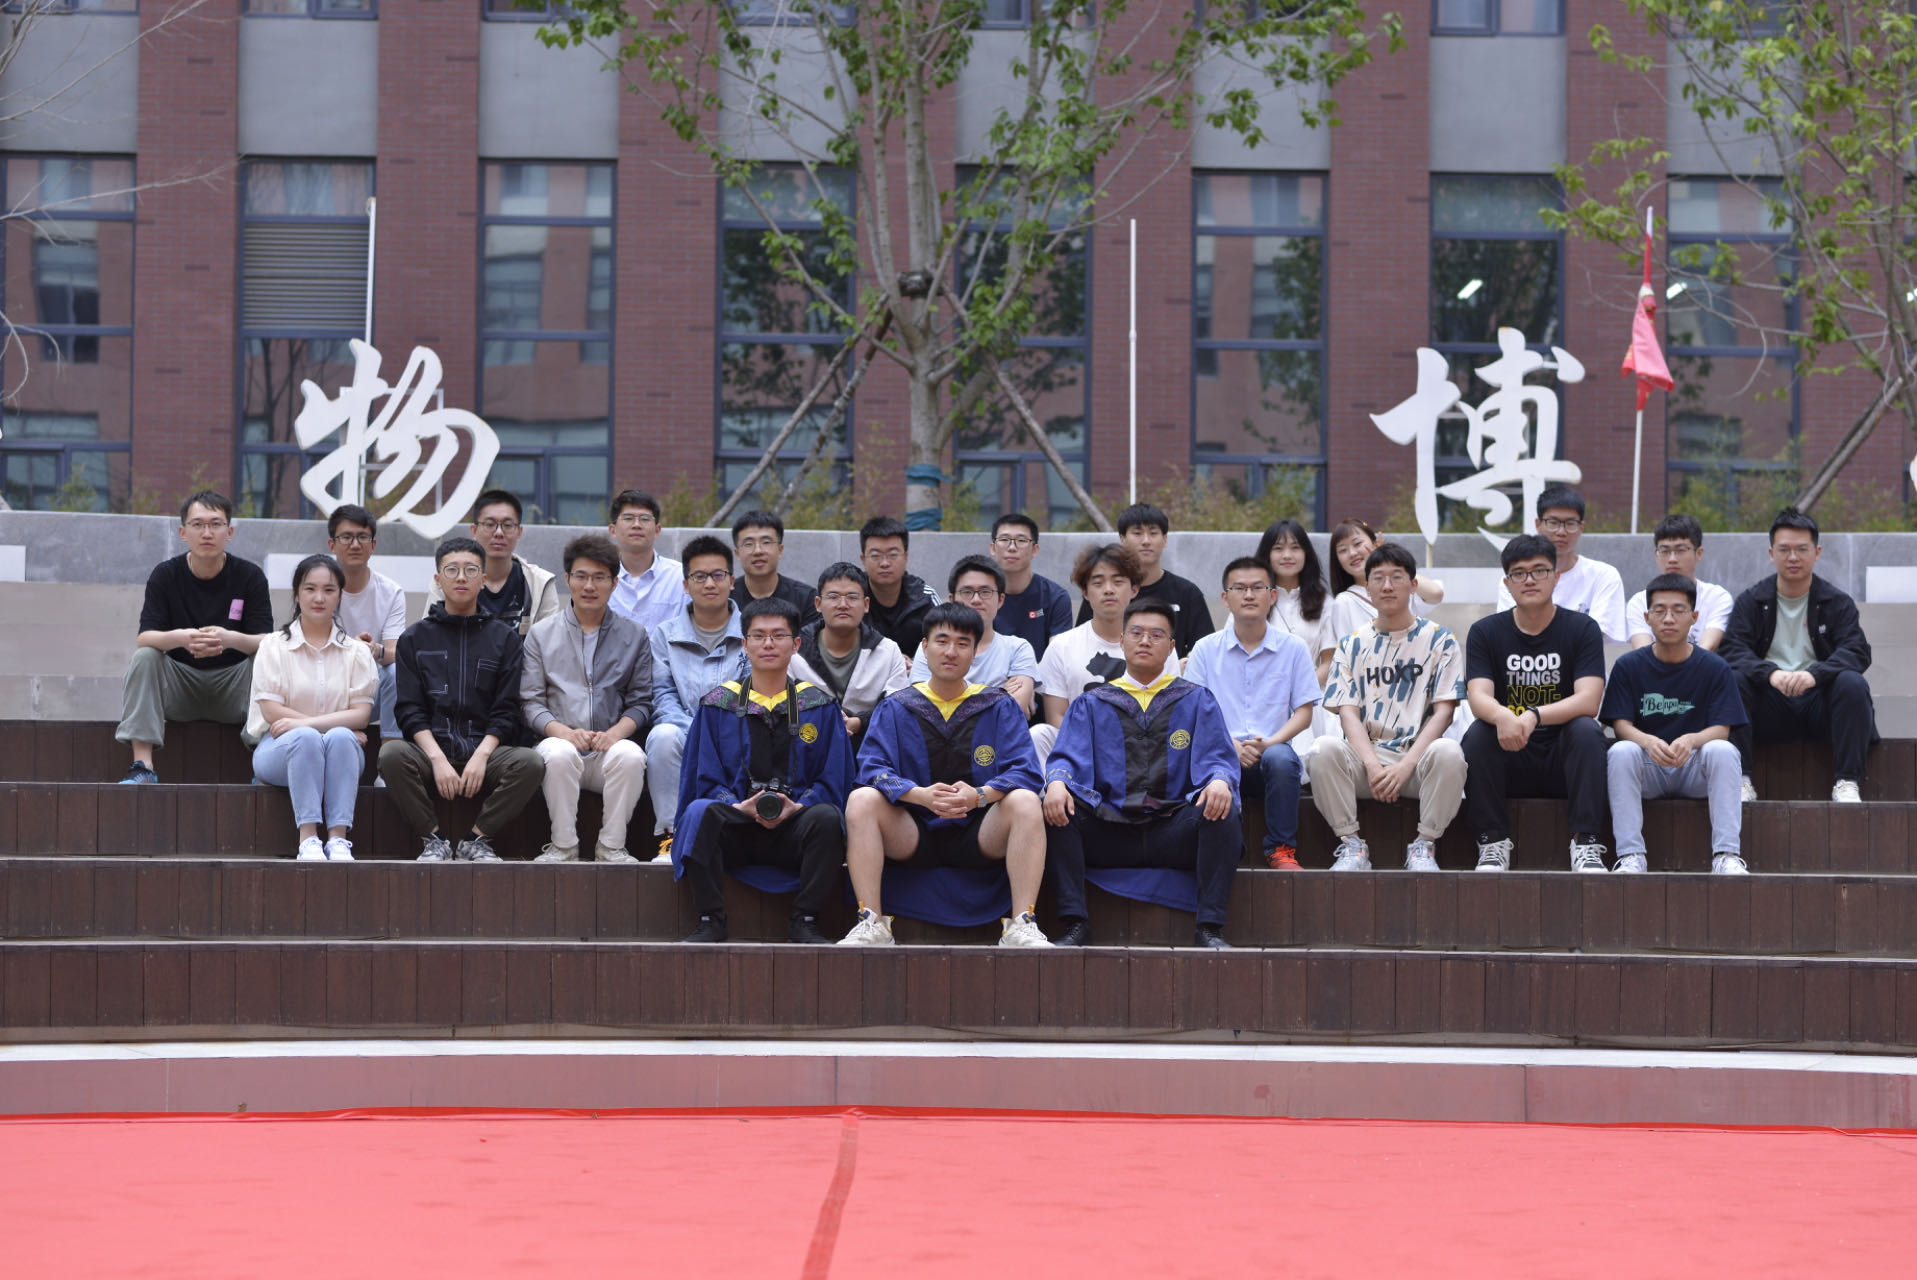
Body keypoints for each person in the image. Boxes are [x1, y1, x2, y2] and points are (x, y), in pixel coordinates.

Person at [838, 603, 1051, 948]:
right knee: (861, 799)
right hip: (913, 830)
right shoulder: (897, 706)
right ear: (924, 647)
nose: (951, 651)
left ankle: (1022, 924)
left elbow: (1026, 771)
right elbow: (872, 769)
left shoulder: (998, 705)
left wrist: (980, 795)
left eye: (963, 643)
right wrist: (919, 795)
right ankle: (871, 922)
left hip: (981, 831)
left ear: (975, 651)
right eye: (942, 641)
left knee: (1026, 801)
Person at [1043, 599, 1242, 948]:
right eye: (1136, 633)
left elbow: (1218, 757)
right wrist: (1057, 781)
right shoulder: (1093, 702)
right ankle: (1075, 924)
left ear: (1172, 646)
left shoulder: (1196, 700)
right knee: (1057, 809)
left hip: (1174, 831)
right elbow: (1067, 757)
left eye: (1156, 634)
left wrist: (1219, 780)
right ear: (1122, 641)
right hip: (1109, 830)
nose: (1145, 641)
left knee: (1221, 811)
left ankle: (1210, 928)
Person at [675, 598, 853, 945]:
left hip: (796, 830)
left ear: (796, 644)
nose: (768, 644)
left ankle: (805, 920)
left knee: (828, 818)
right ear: (744, 644)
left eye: (778, 635)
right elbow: (704, 778)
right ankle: (711, 919)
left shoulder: (819, 706)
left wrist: (799, 806)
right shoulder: (718, 705)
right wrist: (737, 806)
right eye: (758, 636)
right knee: (699, 812)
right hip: (736, 827)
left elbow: (833, 779)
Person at [379, 537, 545, 862]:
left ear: (483, 580)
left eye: (470, 570)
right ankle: (434, 839)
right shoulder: (414, 638)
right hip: (430, 751)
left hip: (487, 752)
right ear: (438, 580)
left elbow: (507, 710)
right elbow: (409, 710)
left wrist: (482, 755)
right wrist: (437, 759)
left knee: (530, 763)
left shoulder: (505, 639)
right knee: (391, 755)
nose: (461, 578)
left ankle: (477, 839)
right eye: (451, 570)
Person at [1308, 543, 1468, 873]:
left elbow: (1444, 712)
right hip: (1365, 765)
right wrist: (1372, 765)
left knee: (1450, 753)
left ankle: (1424, 845)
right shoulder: (1352, 643)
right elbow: (1348, 712)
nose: (1387, 586)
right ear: (1367, 587)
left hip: (1418, 763)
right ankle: (1351, 845)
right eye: (1378, 578)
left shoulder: (1441, 640)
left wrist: (1406, 765)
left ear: (1413, 585)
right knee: (1322, 749)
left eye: (1397, 577)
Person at [1462, 534, 1610, 872]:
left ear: (1556, 577)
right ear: (1507, 583)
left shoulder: (1582, 628)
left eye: (1539, 570)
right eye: (1519, 573)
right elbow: (1478, 695)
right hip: (1509, 753)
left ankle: (1586, 843)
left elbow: (1589, 699)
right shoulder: (1485, 632)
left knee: (1587, 731)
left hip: (1563, 758)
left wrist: (1533, 715)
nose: (1529, 579)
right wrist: (1503, 716)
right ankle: (1491, 842)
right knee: (1478, 735)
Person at [1718, 506, 1875, 804]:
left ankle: (1847, 781)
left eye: (1802, 549)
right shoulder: (1751, 601)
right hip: (1769, 703)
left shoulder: (1837, 602)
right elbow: (1731, 650)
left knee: (1852, 684)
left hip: (1819, 703)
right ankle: (1740, 780)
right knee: (1733, 680)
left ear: (1817, 552)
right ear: (1771, 553)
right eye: (1784, 549)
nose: (1793, 557)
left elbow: (1856, 650)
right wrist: (1770, 674)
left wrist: (1814, 675)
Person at [117, 489, 274, 784]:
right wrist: (181, 638)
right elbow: (145, 637)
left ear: (229, 532)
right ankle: (142, 765)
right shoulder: (165, 575)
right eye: (198, 524)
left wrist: (230, 639)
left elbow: (268, 640)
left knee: (266, 658)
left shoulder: (249, 576)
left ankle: (265, 765)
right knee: (145, 657)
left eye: (215, 524)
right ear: (183, 532)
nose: (207, 533)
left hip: (233, 687)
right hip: (180, 687)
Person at [521, 534, 654, 865]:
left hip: (608, 749)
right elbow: (531, 702)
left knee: (632, 756)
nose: (589, 586)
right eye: (581, 576)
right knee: (559, 753)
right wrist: (565, 733)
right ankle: (563, 845)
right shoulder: (542, 634)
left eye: (599, 577)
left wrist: (614, 735)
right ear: (567, 579)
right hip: (560, 747)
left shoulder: (634, 635)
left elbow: (642, 702)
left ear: (614, 583)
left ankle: (612, 846)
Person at [1603, 575, 1750, 874]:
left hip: (1694, 768)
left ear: (1694, 617)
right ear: (1647, 617)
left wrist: (1692, 740)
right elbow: (1620, 725)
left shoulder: (1715, 667)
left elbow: (1722, 729)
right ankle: (1630, 855)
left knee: (1723, 750)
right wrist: (1647, 742)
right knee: (1621, 751)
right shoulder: (1628, 666)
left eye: (1678, 610)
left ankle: (1726, 855)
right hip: (1648, 768)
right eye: (1659, 610)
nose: (1668, 618)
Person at [1183, 557, 1319, 870]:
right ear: (1224, 597)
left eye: (1257, 588)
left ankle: (1281, 850)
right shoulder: (1205, 649)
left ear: (1272, 596)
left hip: (1270, 757)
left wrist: (1269, 743)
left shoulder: (1294, 647)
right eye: (1239, 588)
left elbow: (1304, 712)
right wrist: (1231, 744)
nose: (1248, 595)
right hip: (1220, 756)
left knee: (1282, 759)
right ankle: (1217, 852)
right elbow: (1193, 711)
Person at [247, 554, 378, 861]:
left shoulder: (357, 652)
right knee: (310, 737)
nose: (319, 598)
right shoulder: (273, 646)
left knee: (340, 738)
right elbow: (271, 711)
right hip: (278, 748)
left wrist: (311, 725)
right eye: (310, 589)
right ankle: (308, 840)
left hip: (340, 751)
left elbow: (361, 715)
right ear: (297, 593)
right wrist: (320, 727)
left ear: (340, 595)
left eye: (329, 590)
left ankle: (338, 840)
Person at [645, 535, 748, 861]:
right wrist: (697, 731)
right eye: (700, 576)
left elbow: (753, 690)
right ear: (685, 585)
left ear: (732, 581)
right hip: (682, 729)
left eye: (718, 575)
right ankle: (670, 835)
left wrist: (717, 731)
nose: (710, 584)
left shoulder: (752, 631)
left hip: (738, 730)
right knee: (662, 737)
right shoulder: (665, 635)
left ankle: (734, 837)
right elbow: (662, 693)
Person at [1032, 543, 1138, 761]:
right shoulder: (1062, 646)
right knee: (1040, 734)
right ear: (1085, 592)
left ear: (1134, 590)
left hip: (1137, 750)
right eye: (1098, 583)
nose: (1108, 590)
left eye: (1118, 582)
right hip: (1078, 750)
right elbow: (1056, 716)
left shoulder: (1154, 644)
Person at [789, 562, 912, 745]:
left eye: (852, 597)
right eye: (833, 597)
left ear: (866, 604)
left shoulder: (888, 651)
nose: (843, 605)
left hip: (869, 750)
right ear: (818, 604)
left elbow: (898, 710)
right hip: (807, 748)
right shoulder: (793, 650)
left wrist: (860, 722)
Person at [1073, 503, 1215, 657]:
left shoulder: (1187, 593)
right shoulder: (1105, 593)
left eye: (1153, 533)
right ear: (1122, 539)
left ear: (1165, 539)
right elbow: (1082, 643)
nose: (1146, 541)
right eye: (1137, 533)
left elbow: (1206, 650)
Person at [1494, 484, 1627, 643]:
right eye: (1553, 523)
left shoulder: (1604, 576)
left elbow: (1596, 634)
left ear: (1581, 527)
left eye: (1570, 523)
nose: (1561, 532)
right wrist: (1575, 625)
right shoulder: (1517, 578)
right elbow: (1512, 633)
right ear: (1538, 524)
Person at [908, 556, 1039, 716]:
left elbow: (1013, 710)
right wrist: (999, 695)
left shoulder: (1017, 649)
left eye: (985, 592)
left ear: (1000, 600)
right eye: (967, 592)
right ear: (952, 599)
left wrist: (950, 701)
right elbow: (925, 710)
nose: (976, 600)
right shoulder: (933, 646)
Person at [426, 489, 562, 635]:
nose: (498, 533)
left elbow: (549, 641)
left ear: (519, 532)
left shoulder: (541, 583)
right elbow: (429, 636)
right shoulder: (448, 579)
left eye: (507, 525)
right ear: (474, 530)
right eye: (489, 524)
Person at [327, 504, 409, 740]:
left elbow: (396, 651)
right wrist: (352, 649)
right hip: (323, 690)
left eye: (362, 537)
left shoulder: (391, 592)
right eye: (346, 537)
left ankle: (390, 752)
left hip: (368, 691)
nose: (355, 544)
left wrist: (375, 650)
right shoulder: (317, 587)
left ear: (373, 545)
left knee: (397, 670)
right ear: (332, 544)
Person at [1321, 517, 1444, 667]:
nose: (1352, 553)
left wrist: (1391, 560)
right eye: (1342, 550)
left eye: (1357, 544)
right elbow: (1350, 656)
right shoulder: (1344, 602)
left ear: (1374, 543)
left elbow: (1435, 593)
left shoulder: (1400, 588)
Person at [1625, 514, 1732, 652]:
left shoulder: (1717, 598)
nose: (1672, 559)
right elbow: (1643, 652)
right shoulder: (1639, 603)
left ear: (1699, 553)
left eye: (1680, 550)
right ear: (1656, 554)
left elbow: (1708, 648)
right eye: (1665, 551)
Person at [1255, 518, 1332, 684]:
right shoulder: (1251, 598)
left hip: (1310, 694)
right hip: (1259, 693)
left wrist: (1300, 691)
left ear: (1306, 554)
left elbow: (1329, 662)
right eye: (1278, 548)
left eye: (1295, 548)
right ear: (1267, 554)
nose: (1287, 555)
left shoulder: (1325, 602)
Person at [988, 513, 1073, 660]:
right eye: (1004, 540)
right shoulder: (979, 596)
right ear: (993, 548)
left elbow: (1058, 658)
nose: (1012, 547)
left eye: (1021, 540)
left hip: (1040, 673)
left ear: (1035, 550)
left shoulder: (1055, 597)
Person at [608, 488, 689, 631]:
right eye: (628, 518)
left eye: (645, 519)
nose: (636, 525)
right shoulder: (601, 578)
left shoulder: (680, 576)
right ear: (613, 530)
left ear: (657, 530)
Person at [860, 515, 941, 658]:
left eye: (893, 555)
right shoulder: (852, 598)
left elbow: (944, 645)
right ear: (863, 559)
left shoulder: (925, 598)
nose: (884, 563)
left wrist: (915, 665)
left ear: (906, 557)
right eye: (876, 556)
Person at [729, 509, 818, 630]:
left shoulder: (806, 598)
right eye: (749, 544)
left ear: (780, 550)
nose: (758, 551)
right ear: (737, 553)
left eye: (766, 542)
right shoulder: (726, 598)